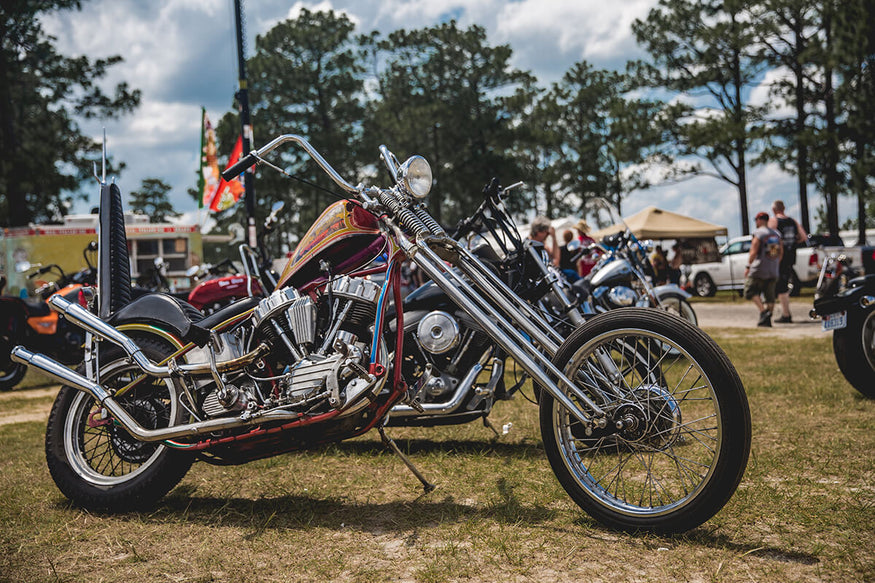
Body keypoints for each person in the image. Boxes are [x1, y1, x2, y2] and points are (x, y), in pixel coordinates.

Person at [768, 200, 808, 323]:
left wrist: (773, 256)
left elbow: (771, 238)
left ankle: (785, 314)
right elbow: (803, 237)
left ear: (774, 210)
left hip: (779, 258)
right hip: (791, 257)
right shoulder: (793, 221)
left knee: (780, 286)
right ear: (784, 208)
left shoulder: (773, 221)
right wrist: (793, 242)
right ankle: (784, 313)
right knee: (783, 284)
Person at [745, 211, 783, 327]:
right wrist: (775, 263)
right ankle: (768, 317)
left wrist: (748, 266)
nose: (756, 222)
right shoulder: (776, 234)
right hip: (773, 269)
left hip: (759, 269)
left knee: (749, 291)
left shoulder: (758, 233)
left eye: (756, 220)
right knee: (770, 295)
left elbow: (753, 251)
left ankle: (763, 312)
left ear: (760, 220)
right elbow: (781, 251)